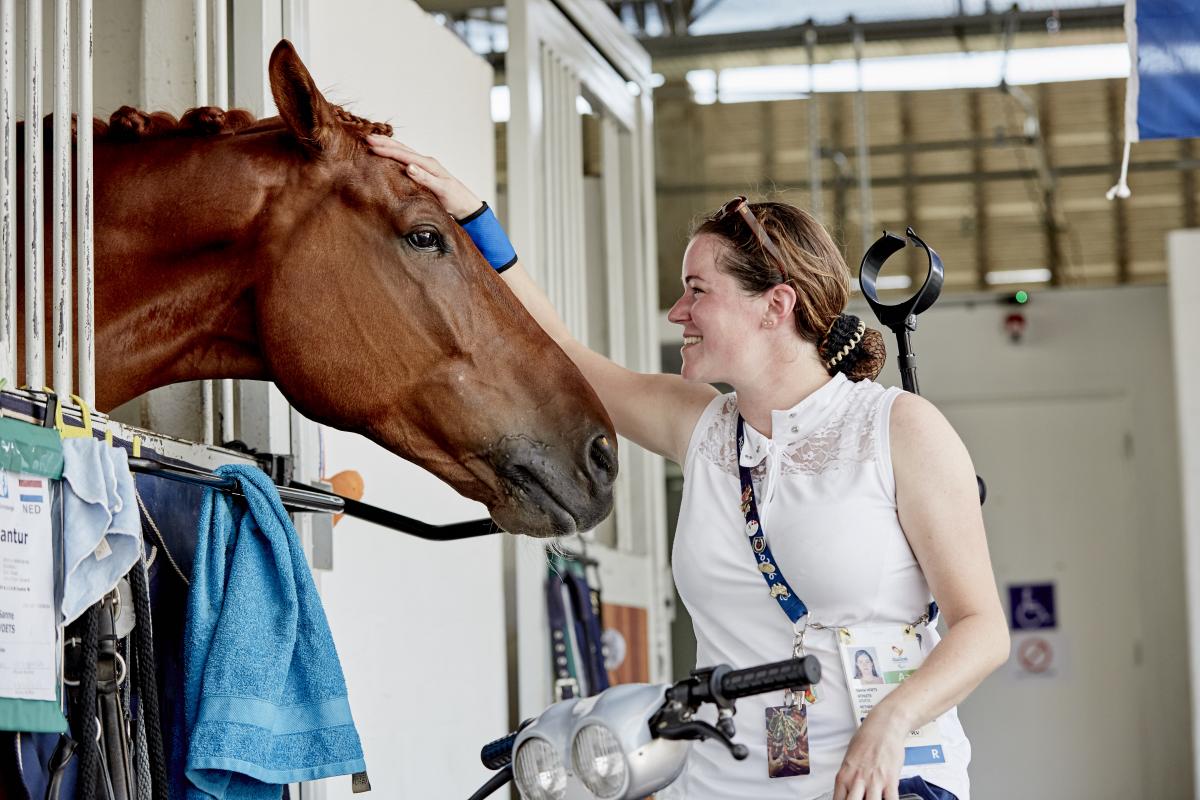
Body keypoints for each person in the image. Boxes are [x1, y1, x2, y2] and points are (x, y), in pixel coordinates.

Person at [366, 134, 1010, 800]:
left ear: (775, 306)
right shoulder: (700, 427)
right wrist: (474, 218)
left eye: (696, 291)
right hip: (719, 786)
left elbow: (982, 629)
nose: (678, 314)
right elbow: (561, 352)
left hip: (880, 781)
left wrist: (892, 722)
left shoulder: (897, 428)